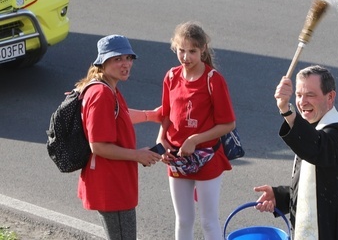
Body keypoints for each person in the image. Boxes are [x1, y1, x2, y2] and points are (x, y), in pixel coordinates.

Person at [254, 65, 338, 240]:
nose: (302, 102)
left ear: (330, 97)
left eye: (310, 95)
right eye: (298, 95)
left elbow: (316, 148)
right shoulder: (312, 126)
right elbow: (314, 187)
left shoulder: (337, 133)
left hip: (333, 231)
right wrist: (279, 196)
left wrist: (287, 111)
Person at [76, 34, 163, 240]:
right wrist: (137, 155)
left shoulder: (106, 87)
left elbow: (119, 115)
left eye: (128, 58)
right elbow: (98, 146)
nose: (125, 64)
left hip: (113, 181)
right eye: (117, 59)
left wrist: (151, 115)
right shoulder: (101, 94)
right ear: (102, 62)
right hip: (111, 184)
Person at [157, 21, 235, 240]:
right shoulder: (171, 77)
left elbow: (228, 124)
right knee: (183, 220)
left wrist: (194, 139)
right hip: (176, 158)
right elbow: (166, 114)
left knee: (209, 222)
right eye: (181, 50)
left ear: (203, 50)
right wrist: (161, 138)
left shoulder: (213, 80)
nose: (186, 57)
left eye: (192, 51)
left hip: (207, 157)